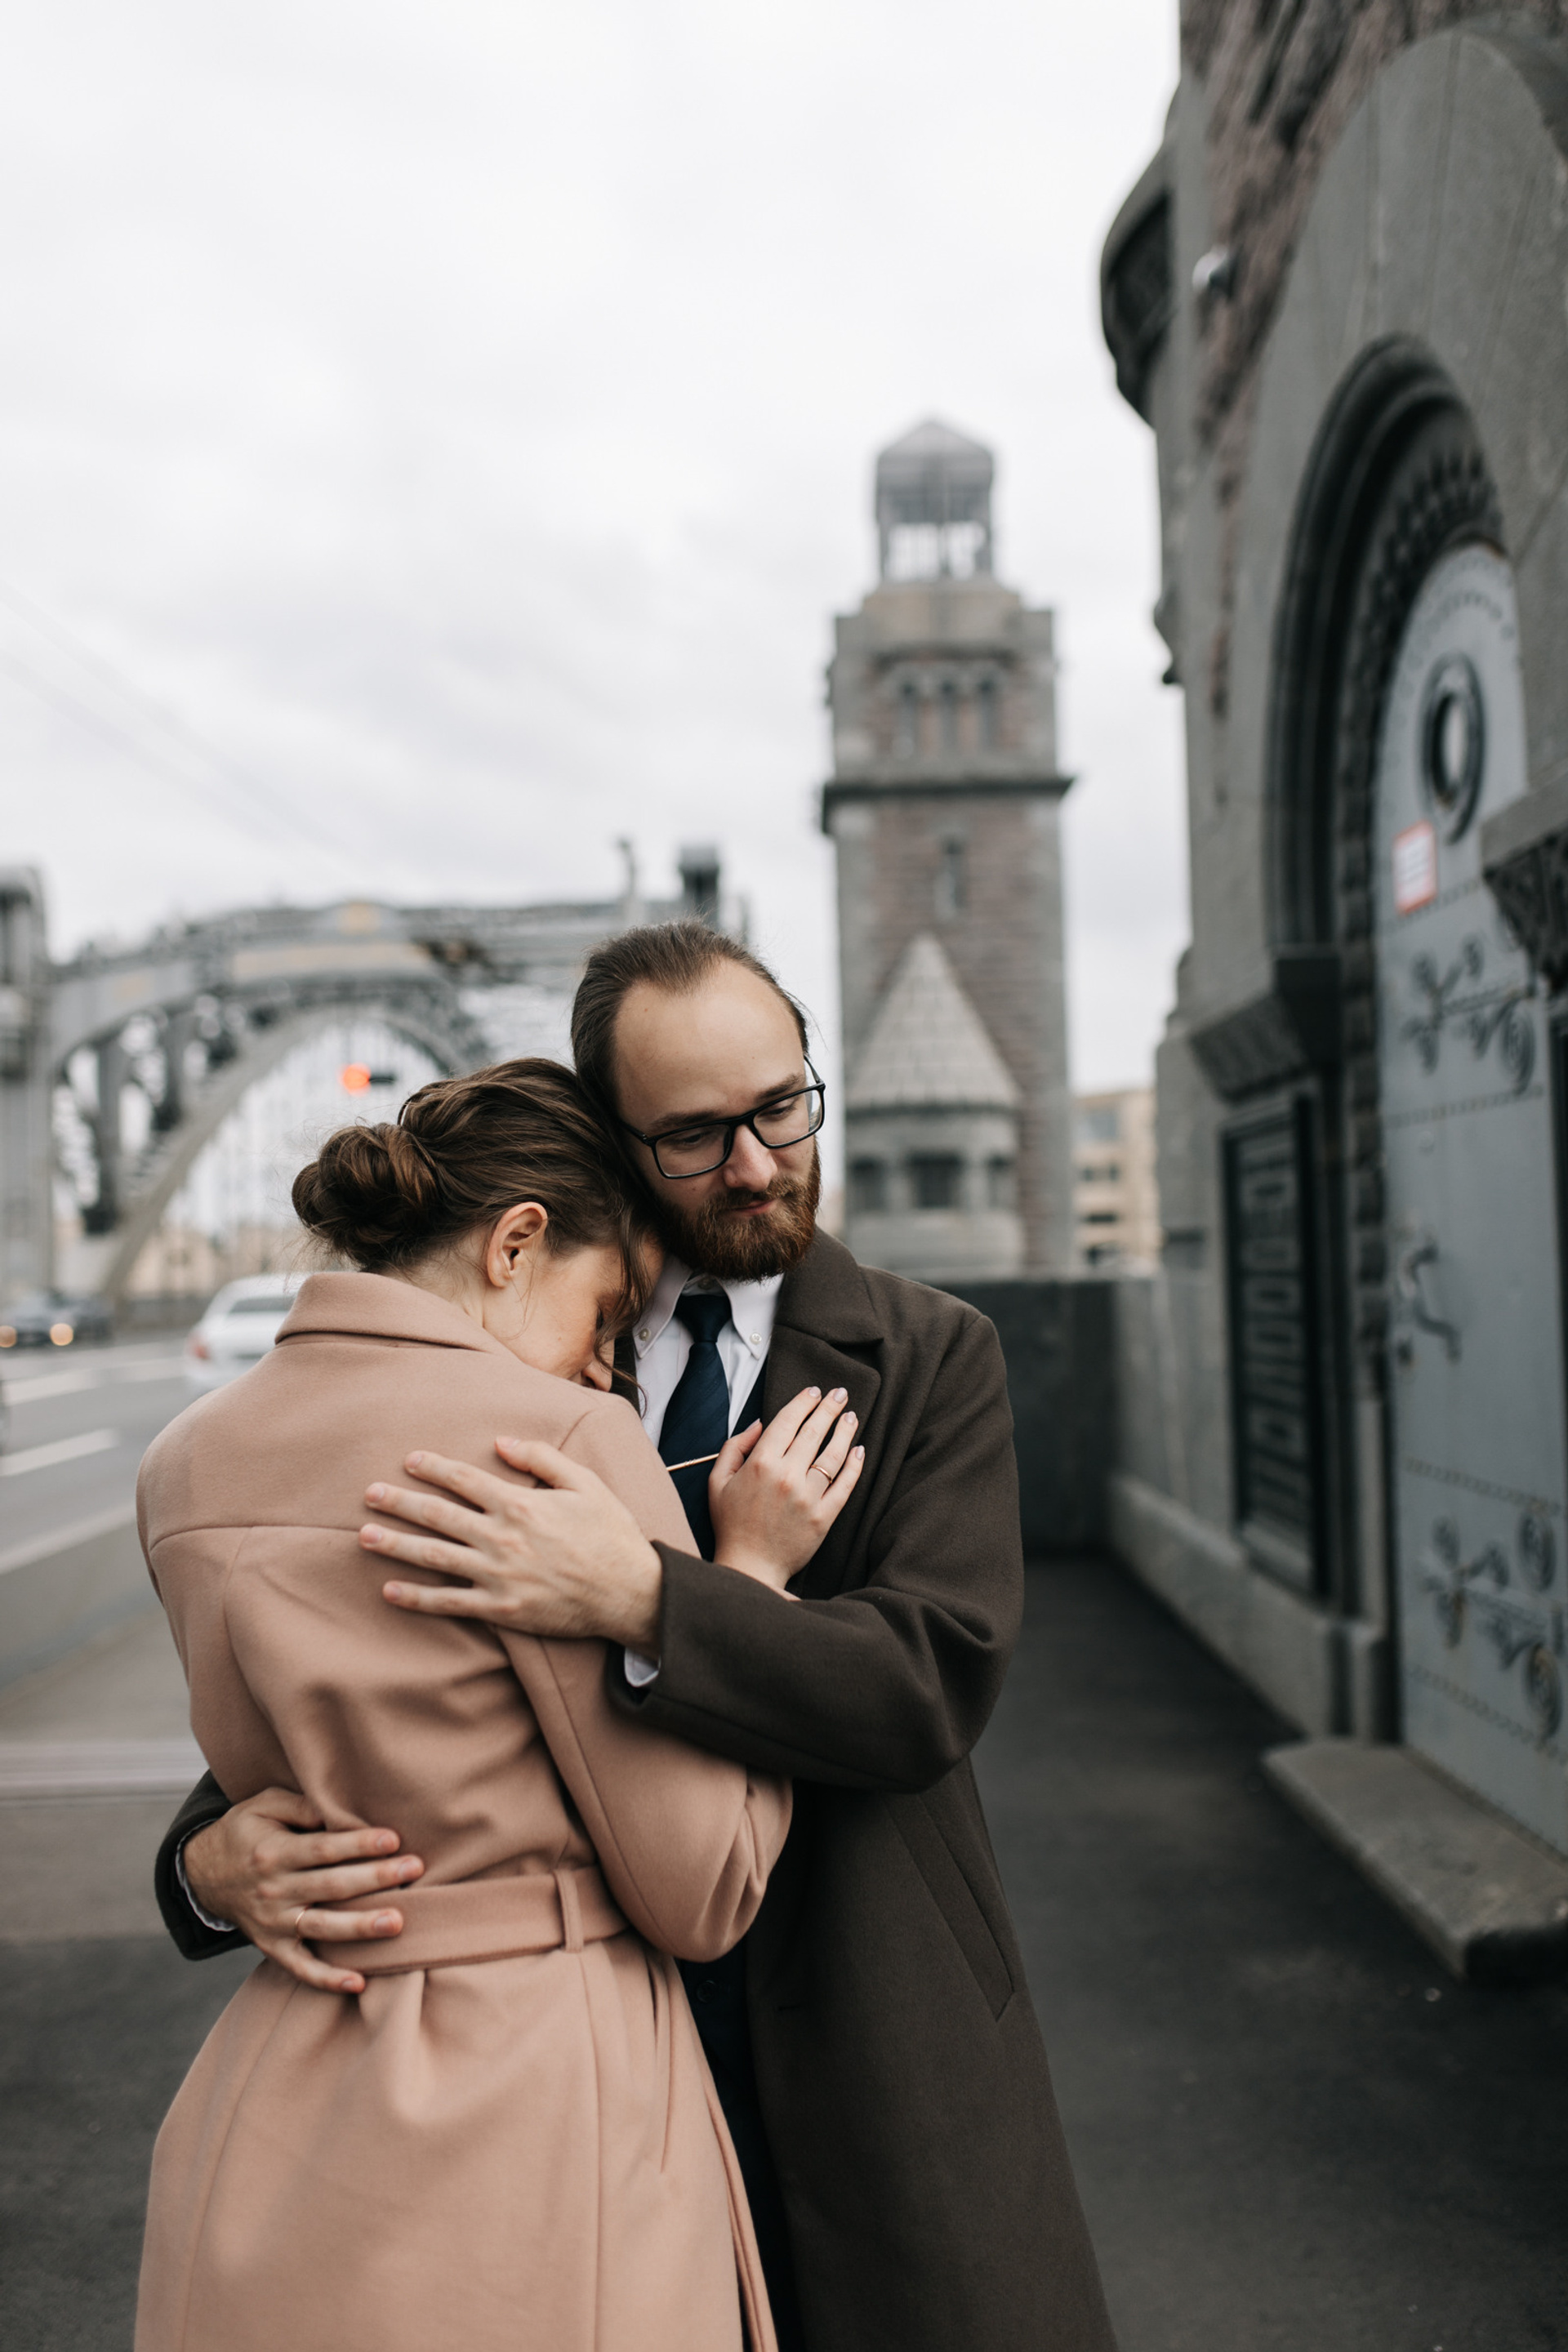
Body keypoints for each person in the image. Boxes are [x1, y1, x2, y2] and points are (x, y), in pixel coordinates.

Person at [158, 924, 1118, 2352]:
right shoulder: (503, 1363)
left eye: (784, 1106)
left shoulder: (930, 1356)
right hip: (564, 2065)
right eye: (695, 1134)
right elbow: (343, 1655)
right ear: (610, 1145)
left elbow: (927, 1685)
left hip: (866, 2030)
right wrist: (201, 1863)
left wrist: (657, 1599)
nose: (756, 1163)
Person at [135, 1058, 864, 2352]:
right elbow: (703, 1891)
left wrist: (203, 1866)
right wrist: (744, 1584)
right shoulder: (567, 1452)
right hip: (536, 2113)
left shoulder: (183, 1462)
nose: (602, 1367)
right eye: (605, 1314)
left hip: (278, 2102)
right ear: (517, 1245)